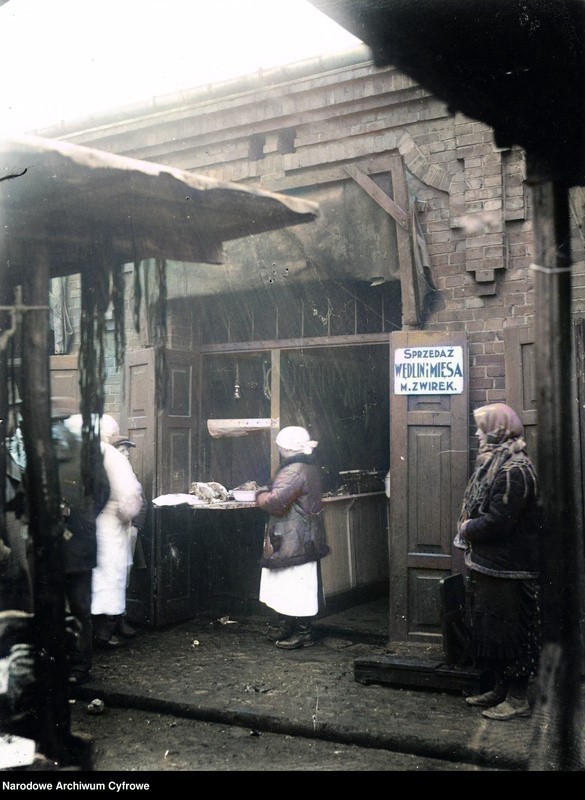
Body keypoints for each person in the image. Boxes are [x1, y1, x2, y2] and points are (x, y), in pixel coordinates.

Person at [456, 403, 542, 721]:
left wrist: (467, 528)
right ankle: (501, 689)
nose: (478, 435)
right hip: (493, 565)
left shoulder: (514, 470)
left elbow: (498, 522)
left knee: (512, 634)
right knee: (494, 632)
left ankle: (518, 698)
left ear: (497, 431)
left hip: (510, 569)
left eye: (482, 429)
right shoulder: (497, 464)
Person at [65, 414, 143, 649]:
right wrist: (124, 514)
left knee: (87, 582)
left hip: (78, 527)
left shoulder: (72, 453)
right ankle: (102, 634)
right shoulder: (110, 455)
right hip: (107, 525)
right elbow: (129, 496)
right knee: (107, 579)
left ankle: (84, 639)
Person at [255, 426, 330, 650]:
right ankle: (288, 627)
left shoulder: (294, 470)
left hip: (294, 537)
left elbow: (276, 502)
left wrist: (260, 495)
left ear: (286, 448)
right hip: (300, 536)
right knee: (289, 583)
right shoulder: (307, 467)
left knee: (295, 585)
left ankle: (303, 633)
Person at [110, 433, 148, 639]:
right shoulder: (105, 473)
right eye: (121, 450)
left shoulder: (130, 475)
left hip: (128, 532)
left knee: (123, 576)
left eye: (127, 451)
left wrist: (135, 529)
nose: (126, 454)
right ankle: (106, 627)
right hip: (110, 533)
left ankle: (120, 621)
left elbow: (142, 502)